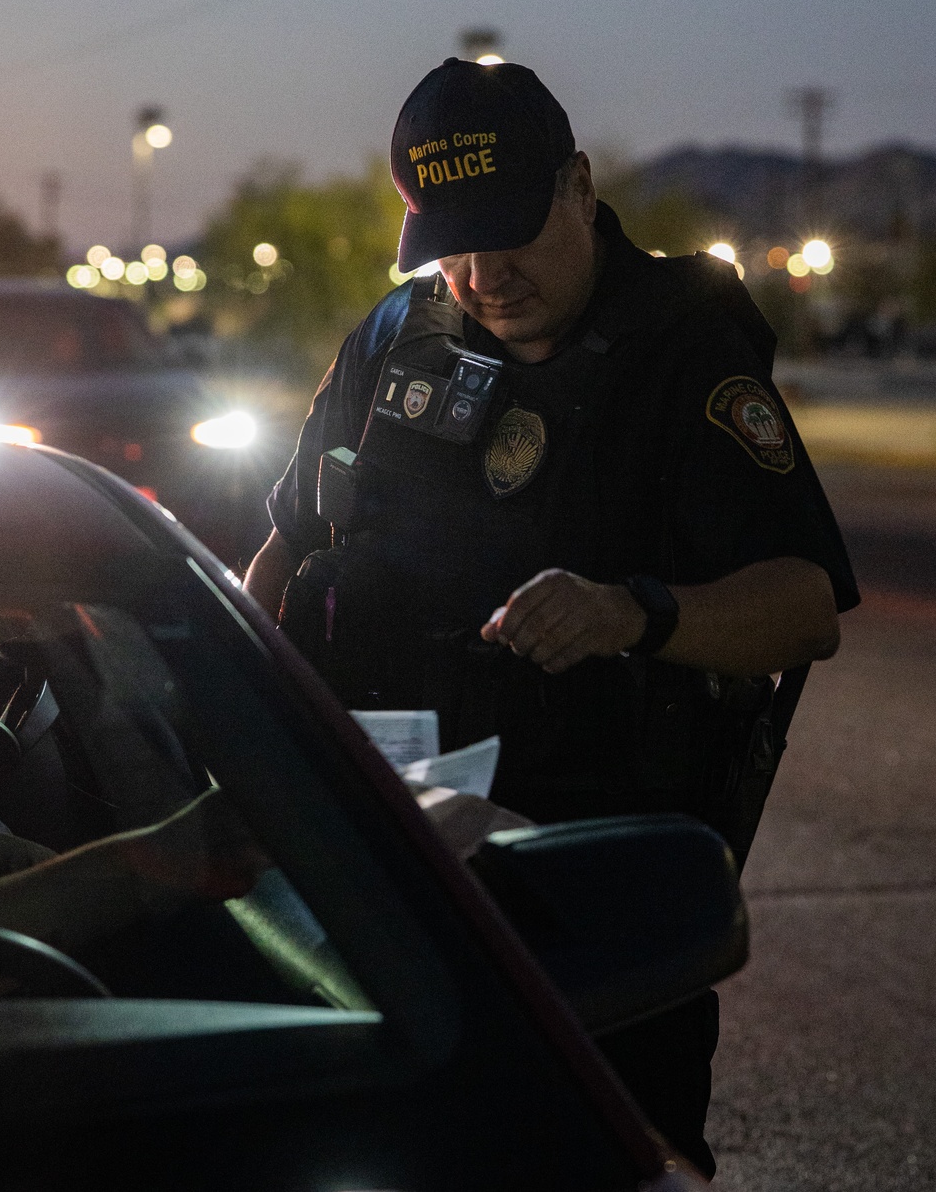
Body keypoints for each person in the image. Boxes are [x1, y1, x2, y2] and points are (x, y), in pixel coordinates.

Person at [245, 58, 859, 1177]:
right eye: (454, 243)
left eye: (512, 231)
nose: (486, 274)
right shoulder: (394, 339)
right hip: (388, 870)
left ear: (579, 186)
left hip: (592, 900)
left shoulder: (682, 352)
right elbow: (284, 554)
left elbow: (805, 607)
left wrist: (634, 614)